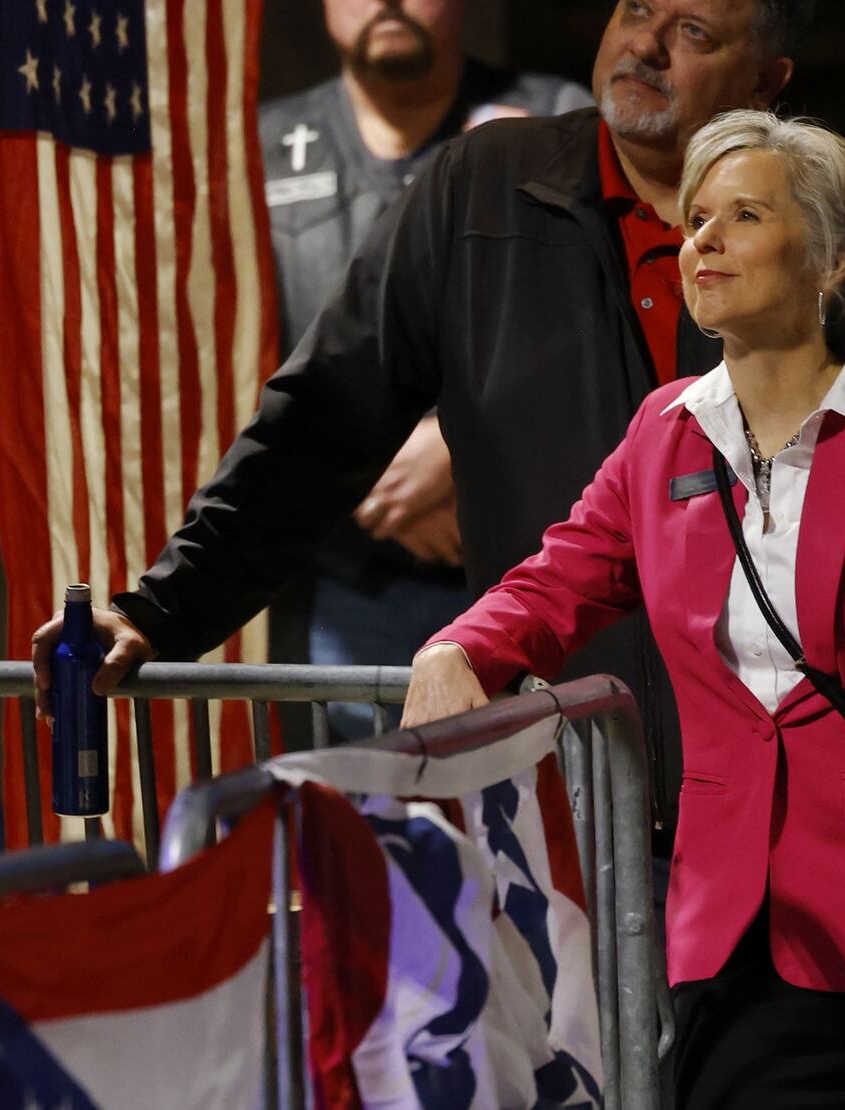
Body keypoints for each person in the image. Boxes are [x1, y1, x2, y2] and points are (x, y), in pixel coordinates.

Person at [33, 0, 845, 849]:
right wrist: (163, 610)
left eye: (693, 31)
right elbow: (320, 426)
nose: (646, 46)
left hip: (817, 816)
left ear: (768, 79)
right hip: (562, 800)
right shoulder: (478, 193)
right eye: (634, 11)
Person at [401, 111, 845, 1108]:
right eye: (694, 221)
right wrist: (461, 645)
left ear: (828, 258)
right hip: (732, 934)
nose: (702, 243)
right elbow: (559, 578)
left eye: (744, 216)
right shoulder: (664, 433)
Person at [260, 0, 590, 740]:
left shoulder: (555, 122)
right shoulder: (261, 148)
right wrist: (354, 466)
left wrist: (452, 447)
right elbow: (228, 355)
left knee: (530, 847)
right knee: (355, 844)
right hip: (337, 586)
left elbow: (594, 325)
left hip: (525, 579)